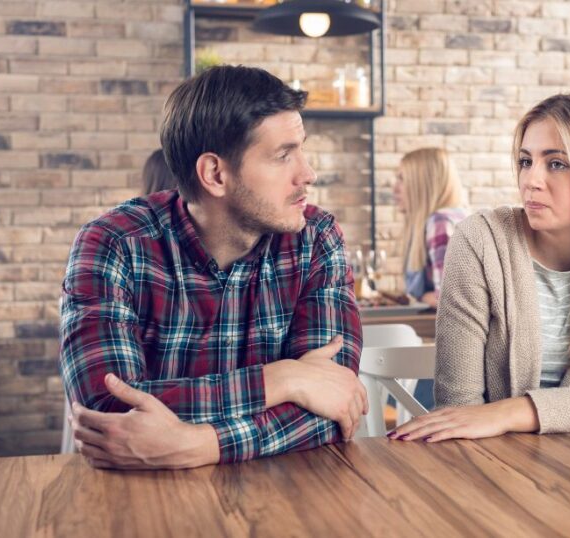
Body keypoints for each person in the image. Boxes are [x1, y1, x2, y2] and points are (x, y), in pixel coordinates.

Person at [60, 65, 367, 469]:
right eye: (283, 156)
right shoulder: (113, 244)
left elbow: (337, 405)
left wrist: (203, 445)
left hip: (285, 497)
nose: (307, 174)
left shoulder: (316, 237)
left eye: (301, 149)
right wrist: (285, 379)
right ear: (215, 174)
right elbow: (110, 414)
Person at [389, 91, 570, 442]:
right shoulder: (480, 241)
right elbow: (460, 410)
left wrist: (508, 412)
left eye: (556, 163)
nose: (531, 180)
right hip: (498, 466)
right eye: (526, 161)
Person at [393, 147, 468, 308]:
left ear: (422, 184)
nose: (395, 189)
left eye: (402, 179)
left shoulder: (440, 222)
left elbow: (450, 301)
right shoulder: (454, 217)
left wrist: (422, 297)